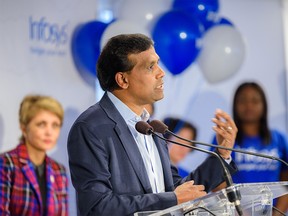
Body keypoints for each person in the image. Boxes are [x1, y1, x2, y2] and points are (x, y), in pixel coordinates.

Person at [67, 33, 238, 216]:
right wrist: (172, 199)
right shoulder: (90, 127)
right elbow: (97, 206)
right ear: (123, 80)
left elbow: (179, 190)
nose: (161, 72)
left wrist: (222, 154)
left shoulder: (150, 128)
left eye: (158, 63)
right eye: (151, 66)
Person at [211, 81, 288, 214]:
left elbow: (286, 178)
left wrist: (278, 213)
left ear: (264, 105)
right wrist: (239, 212)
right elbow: (216, 181)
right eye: (243, 100)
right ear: (235, 105)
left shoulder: (279, 138)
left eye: (255, 100)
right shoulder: (226, 138)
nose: (249, 105)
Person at [0, 95, 69, 215]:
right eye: (41, 124)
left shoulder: (59, 170)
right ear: (24, 128)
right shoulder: (6, 163)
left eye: (55, 125)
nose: (49, 132)